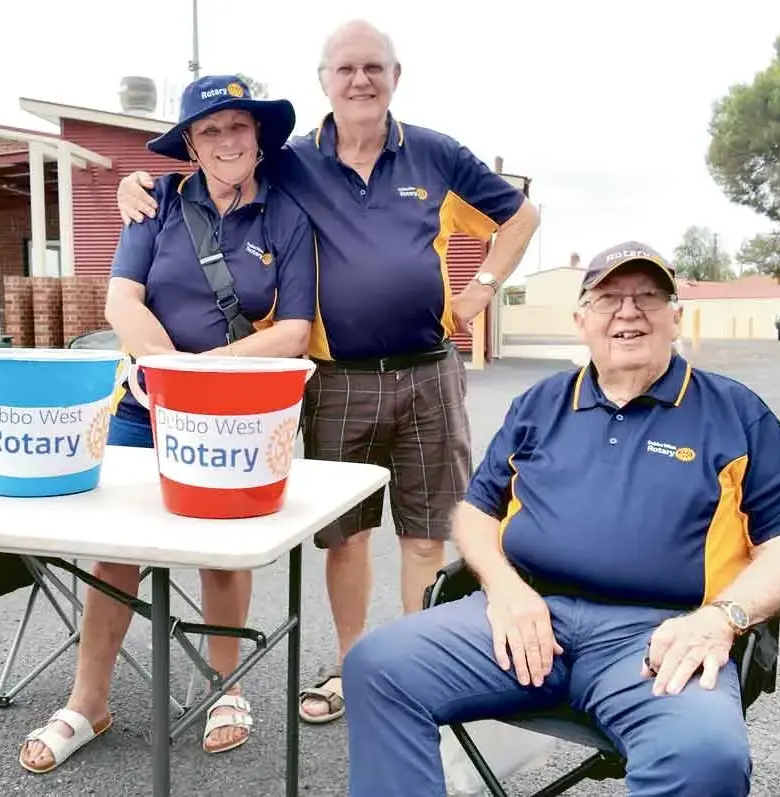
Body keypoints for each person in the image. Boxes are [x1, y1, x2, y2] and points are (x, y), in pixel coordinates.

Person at [116, 19, 540, 724]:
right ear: (323, 83)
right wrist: (140, 182)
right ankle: (353, 666)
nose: (360, 81)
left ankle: (419, 674)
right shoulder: (292, 158)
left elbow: (520, 217)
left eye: (373, 67)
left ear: (395, 76)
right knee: (344, 537)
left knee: (427, 534)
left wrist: (482, 289)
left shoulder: (437, 153)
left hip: (430, 371)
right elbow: (217, 167)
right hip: (337, 377)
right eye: (344, 69)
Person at [340, 242, 780, 796]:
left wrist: (721, 619)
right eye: (609, 298)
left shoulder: (737, 415)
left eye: (647, 297)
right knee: (377, 668)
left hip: (659, 636)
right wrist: (504, 589)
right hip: (524, 618)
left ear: (676, 316)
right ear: (581, 319)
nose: (628, 312)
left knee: (705, 757)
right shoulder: (539, 404)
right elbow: (476, 514)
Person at [18, 74, 316, 773]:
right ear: (189, 142)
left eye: (237, 125)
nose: (226, 140)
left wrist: (205, 375)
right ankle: (87, 700)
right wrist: (165, 374)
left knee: (219, 548)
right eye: (209, 130)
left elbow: (296, 330)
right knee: (116, 549)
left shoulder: (287, 216)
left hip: (235, 412)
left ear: (258, 135)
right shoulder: (152, 205)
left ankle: (225, 685)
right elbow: (121, 299)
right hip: (142, 401)